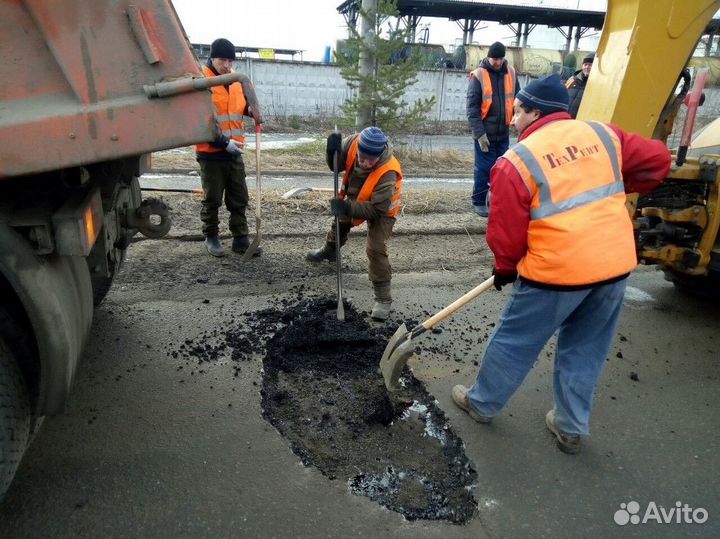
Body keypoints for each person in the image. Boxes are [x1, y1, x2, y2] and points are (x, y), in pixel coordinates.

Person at [451, 74, 670, 454]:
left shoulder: (515, 162)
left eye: (519, 111)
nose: (513, 119)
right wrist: (620, 187)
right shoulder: (604, 135)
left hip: (556, 275)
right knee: (585, 349)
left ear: (536, 112)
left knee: (515, 341)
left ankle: (482, 403)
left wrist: (505, 267)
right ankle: (570, 428)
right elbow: (659, 160)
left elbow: (506, 232)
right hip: (613, 267)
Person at [306, 127, 402, 321]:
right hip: (356, 193)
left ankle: (383, 299)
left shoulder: (388, 171)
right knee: (340, 223)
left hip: (383, 210)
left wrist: (346, 207)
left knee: (375, 248)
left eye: (370, 160)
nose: (365, 163)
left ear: (379, 155)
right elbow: (335, 167)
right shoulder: (352, 143)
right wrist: (330, 151)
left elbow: (377, 210)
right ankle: (330, 250)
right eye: (362, 157)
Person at [196, 38, 262, 258]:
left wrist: (250, 111)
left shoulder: (235, 81)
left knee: (238, 197)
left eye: (230, 60)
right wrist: (223, 142)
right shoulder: (201, 80)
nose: (226, 65)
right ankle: (211, 236)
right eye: (222, 59)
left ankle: (241, 239)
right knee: (212, 198)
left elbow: (238, 106)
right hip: (211, 153)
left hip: (235, 153)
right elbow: (199, 120)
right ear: (213, 57)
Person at [466, 41, 520, 217]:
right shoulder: (479, 75)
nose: (497, 62)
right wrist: (479, 134)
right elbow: (472, 108)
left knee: (501, 169)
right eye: (494, 58)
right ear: (488, 57)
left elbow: (518, 101)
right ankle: (479, 201)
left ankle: (495, 200)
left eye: (499, 58)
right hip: (485, 134)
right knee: (484, 168)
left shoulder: (511, 73)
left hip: (503, 133)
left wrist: (518, 123)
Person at [565, 52, 594, 118]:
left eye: (590, 65)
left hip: (580, 122)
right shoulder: (572, 80)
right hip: (565, 118)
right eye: (585, 64)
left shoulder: (597, 85)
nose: (587, 67)